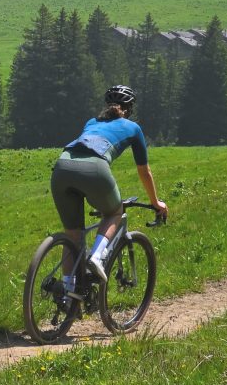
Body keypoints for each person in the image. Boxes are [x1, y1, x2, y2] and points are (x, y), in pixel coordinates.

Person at [50, 84, 167, 299]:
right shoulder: (133, 128)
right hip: (95, 168)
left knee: (73, 235)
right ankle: (97, 256)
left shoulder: (92, 122)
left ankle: (67, 294)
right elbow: (144, 172)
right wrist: (156, 202)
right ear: (129, 108)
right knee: (114, 212)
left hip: (62, 166)